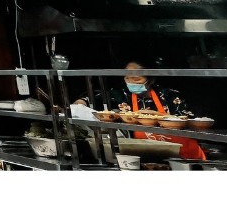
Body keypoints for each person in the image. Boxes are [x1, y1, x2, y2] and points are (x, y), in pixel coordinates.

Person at [75, 61, 206, 160]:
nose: (131, 82)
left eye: (137, 79)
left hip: (179, 152)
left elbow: (188, 119)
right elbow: (95, 96)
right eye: (127, 78)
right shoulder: (121, 94)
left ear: (151, 79)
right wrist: (81, 102)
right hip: (142, 151)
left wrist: (158, 116)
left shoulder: (169, 95)